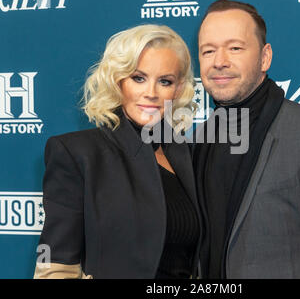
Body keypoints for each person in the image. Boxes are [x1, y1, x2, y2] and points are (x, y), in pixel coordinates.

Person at [193, 0, 300, 278]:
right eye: (208, 50)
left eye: (235, 48)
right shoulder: (199, 139)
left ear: (264, 57)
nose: (219, 61)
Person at [34, 24, 202, 279]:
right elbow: (55, 266)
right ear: (117, 81)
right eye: (138, 78)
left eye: (165, 81)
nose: (151, 93)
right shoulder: (78, 154)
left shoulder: (189, 156)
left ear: (178, 90)